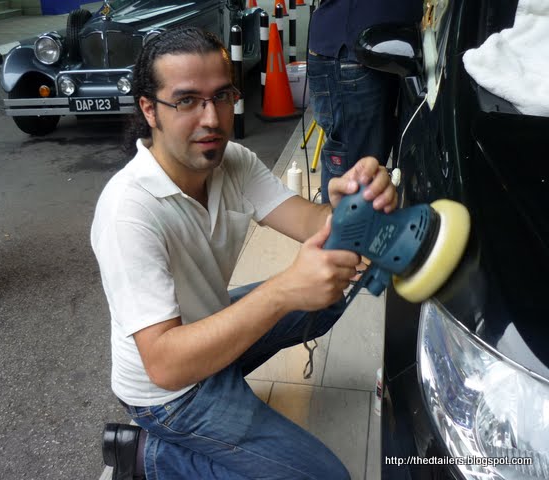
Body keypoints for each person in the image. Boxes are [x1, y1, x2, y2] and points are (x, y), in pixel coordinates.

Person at [91, 27, 397, 479]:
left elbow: (314, 224)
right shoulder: (128, 212)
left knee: (330, 294)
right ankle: (148, 455)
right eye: (186, 101)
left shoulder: (232, 160)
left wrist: (352, 201)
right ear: (149, 109)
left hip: (207, 328)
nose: (212, 119)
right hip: (169, 393)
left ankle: (226, 386)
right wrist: (283, 290)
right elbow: (164, 365)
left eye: (221, 96)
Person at [307, 0, 422, 203]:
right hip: (354, 54)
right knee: (355, 182)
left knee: (373, 175)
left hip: (382, 50)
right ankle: (340, 224)